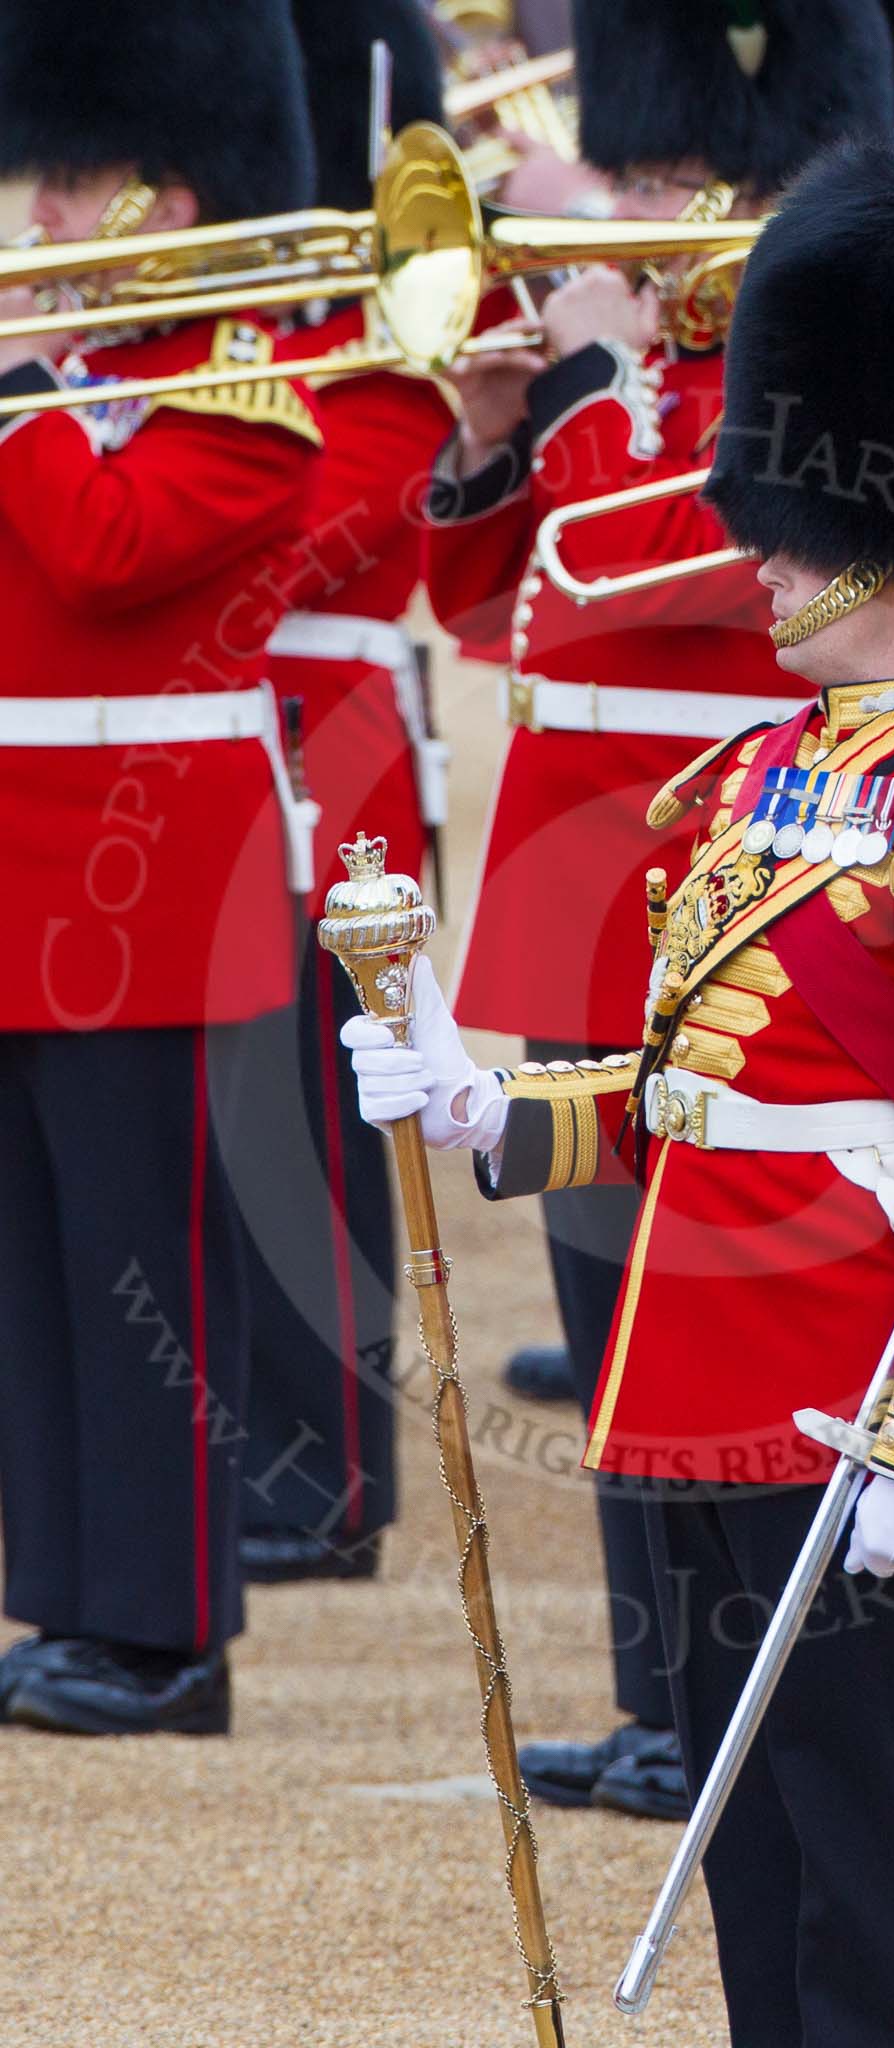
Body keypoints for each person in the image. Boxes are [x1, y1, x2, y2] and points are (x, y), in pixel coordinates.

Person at [344, 128, 894, 2045]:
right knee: (755, 1852)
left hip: (849, 1393)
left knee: (869, 1860)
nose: (761, 546)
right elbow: (681, 1092)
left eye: (791, 517)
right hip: (696, 1390)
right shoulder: (749, 786)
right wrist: (476, 1102)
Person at [424, 0, 894, 1822]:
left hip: (731, 905)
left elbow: (628, 566)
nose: (630, 210)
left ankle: (728, 1690)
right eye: (629, 172)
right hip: (585, 904)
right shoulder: (637, 382)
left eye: (669, 177)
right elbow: (499, 612)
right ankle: (657, 1701)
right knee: (615, 1325)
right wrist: (487, 434)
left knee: (714, 1327)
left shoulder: (806, 382)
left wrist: (594, 385)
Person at [0, 0, 322, 1734]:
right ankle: (61, 1594)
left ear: (173, 197)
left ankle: (169, 1630)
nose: (41, 214)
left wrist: (28, 390)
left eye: (76, 182)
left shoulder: (246, 392)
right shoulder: (67, 379)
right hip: (14, 873)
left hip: (146, 879)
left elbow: (106, 550)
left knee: (144, 1266)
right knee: (34, 1262)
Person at [231, 0, 458, 1587]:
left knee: (316, 1113)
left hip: (335, 749)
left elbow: (296, 545)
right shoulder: (235, 342)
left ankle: (323, 1467)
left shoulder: (393, 344)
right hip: (227, 740)